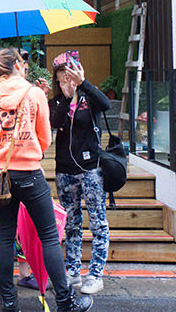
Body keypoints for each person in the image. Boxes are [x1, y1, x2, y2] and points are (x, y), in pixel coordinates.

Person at [0, 47, 92, 312]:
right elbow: (45, 139)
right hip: (29, 173)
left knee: (4, 237)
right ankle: (65, 301)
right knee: (49, 237)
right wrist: (28, 151)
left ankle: (9, 303)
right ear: (17, 65)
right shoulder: (35, 93)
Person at [50, 51, 111, 295]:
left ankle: (96, 274)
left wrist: (83, 84)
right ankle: (73, 271)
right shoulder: (55, 102)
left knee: (98, 222)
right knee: (72, 224)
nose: (67, 78)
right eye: (61, 75)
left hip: (92, 170)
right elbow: (54, 124)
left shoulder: (90, 95)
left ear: (79, 71)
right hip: (65, 170)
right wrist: (65, 100)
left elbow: (106, 105)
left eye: (70, 72)